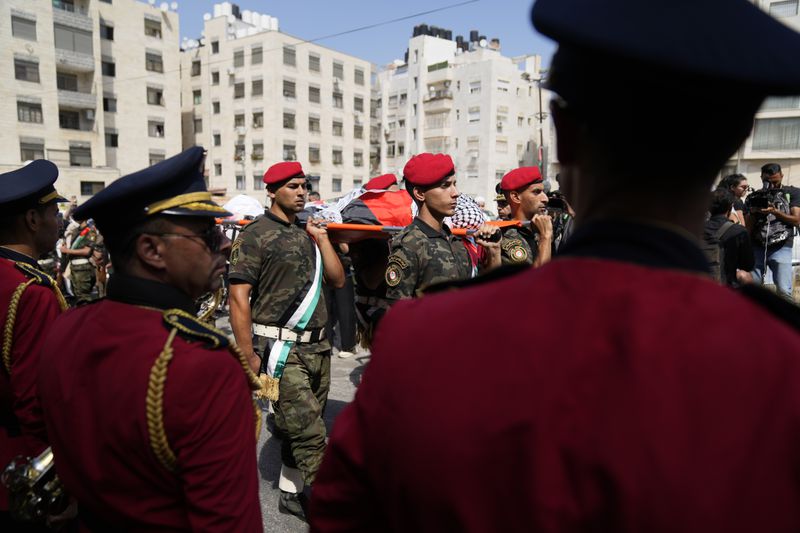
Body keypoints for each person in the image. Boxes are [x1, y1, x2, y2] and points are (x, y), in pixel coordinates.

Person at [311, 1, 800, 531]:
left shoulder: (423, 340)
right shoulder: (780, 367)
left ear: (564, 133)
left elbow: (341, 515)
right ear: (734, 142)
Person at [38, 147, 263, 531]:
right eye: (207, 234)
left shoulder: (66, 325)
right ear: (151, 251)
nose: (224, 243)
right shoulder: (202, 364)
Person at [228, 161, 344, 522]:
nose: (300, 192)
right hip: (280, 351)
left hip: (318, 347)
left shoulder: (310, 232)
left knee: (302, 425)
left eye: (303, 185)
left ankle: (291, 494)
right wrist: (247, 355)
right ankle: (340, 506)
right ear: (272, 191)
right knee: (310, 432)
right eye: (292, 186)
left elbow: (338, 280)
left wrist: (323, 239)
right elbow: (238, 297)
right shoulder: (255, 234)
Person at [0, 161, 68, 527]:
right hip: (18, 464)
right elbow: (35, 401)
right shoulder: (30, 291)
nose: (58, 222)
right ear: (31, 219)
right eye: (54, 212)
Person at [384, 153, 500, 300]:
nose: (455, 193)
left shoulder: (455, 241)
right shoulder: (409, 245)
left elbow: (479, 293)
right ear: (420, 193)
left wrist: (494, 252)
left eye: (454, 184)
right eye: (445, 186)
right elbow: (398, 313)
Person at [746, 163, 800, 300]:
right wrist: (753, 212)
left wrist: (775, 211)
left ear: (782, 176)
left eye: (775, 181)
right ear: (761, 178)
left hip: (782, 246)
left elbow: (796, 220)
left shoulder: (792, 193)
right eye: (767, 181)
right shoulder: (754, 196)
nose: (772, 185)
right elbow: (748, 227)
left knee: (783, 290)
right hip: (757, 246)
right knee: (752, 290)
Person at [498, 166, 553, 267]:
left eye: (544, 192)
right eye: (536, 192)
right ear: (515, 197)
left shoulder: (539, 229)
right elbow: (536, 280)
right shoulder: (503, 237)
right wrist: (545, 238)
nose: (545, 199)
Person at [703, 189, 754, 286]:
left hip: (699, 286)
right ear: (730, 208)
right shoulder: (738, 231)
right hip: (726, 287)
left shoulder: (696, 229)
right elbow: (748, 265)